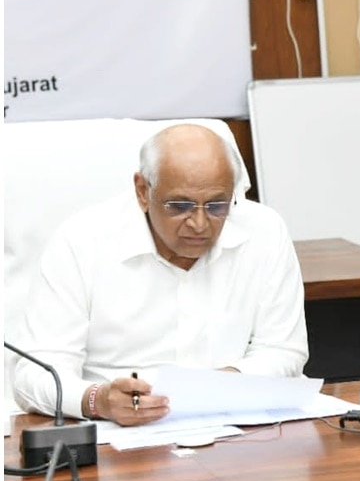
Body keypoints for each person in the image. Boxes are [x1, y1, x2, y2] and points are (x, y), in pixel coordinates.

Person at [12, 123, 309, 426]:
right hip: (116, 442)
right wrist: (98, 400)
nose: (200, 223)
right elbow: (33, 374)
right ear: (143, 191)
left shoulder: (264, 231)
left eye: (217, 205)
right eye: (180, 206)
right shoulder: (83, 240)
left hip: (237, 432)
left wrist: (225, 385)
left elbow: (284, 350)